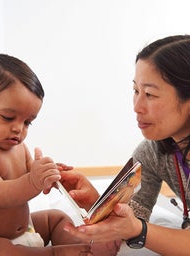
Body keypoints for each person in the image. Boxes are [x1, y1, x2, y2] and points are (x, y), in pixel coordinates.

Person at [60, 35, 190, 256]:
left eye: (149, 94)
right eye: (136, 91)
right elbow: (135, 217)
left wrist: (137, 230)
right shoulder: (151, 152)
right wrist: (101, 204)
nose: (137, 107)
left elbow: (138, 228)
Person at [0, 53, 94, 256]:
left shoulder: (19, 148)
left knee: (56, 217)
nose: (19, 129)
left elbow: (30, 171)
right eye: (8, 117)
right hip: (2, 242)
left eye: (27, 122)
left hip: (28, 228)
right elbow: (3, 194)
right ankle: (55, 253)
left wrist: (47, 173)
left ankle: (81, 247)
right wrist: (34, 181)